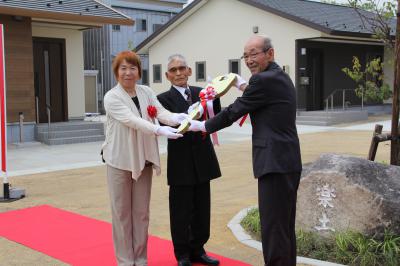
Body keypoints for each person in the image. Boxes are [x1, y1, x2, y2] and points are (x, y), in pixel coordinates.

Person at [189, 35, 302, 266]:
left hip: (274, 163)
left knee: (273, 228)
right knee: (283, 227)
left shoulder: (263, 81)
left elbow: (235, 110)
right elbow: (256, 96)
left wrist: (202, 124)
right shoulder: (278, 77)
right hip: (286, 161)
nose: (249, 60)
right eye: (246, 55)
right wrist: (240, 84)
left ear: (270, 54)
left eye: (254, 54)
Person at [102, 50, 188, 266]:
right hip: (120, 161)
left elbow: (159, 112)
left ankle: (140, 259)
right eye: (123, 68)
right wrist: (159, 131)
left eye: (132, 68)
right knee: (122, 214)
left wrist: (177, 118)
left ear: (139, 72)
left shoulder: (146, 91)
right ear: (116, 73)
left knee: (141, 213)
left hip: (144, 160)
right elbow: (132, 120)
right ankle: (125, 261)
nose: (128, 73)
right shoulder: (112, 97)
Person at [157, 54, 222, 266]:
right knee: (180, 212)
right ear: (167, 76)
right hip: (180, 163)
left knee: (202, 210)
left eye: (182, 68)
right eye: (173, 70)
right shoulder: (162, 100)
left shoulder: (201, 93)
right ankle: (182, 254)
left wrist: (214, 97)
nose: (178, 73)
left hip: (203, 161)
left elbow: (215, 116)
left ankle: (199, 250)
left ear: (189, 71)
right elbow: (171, 122)